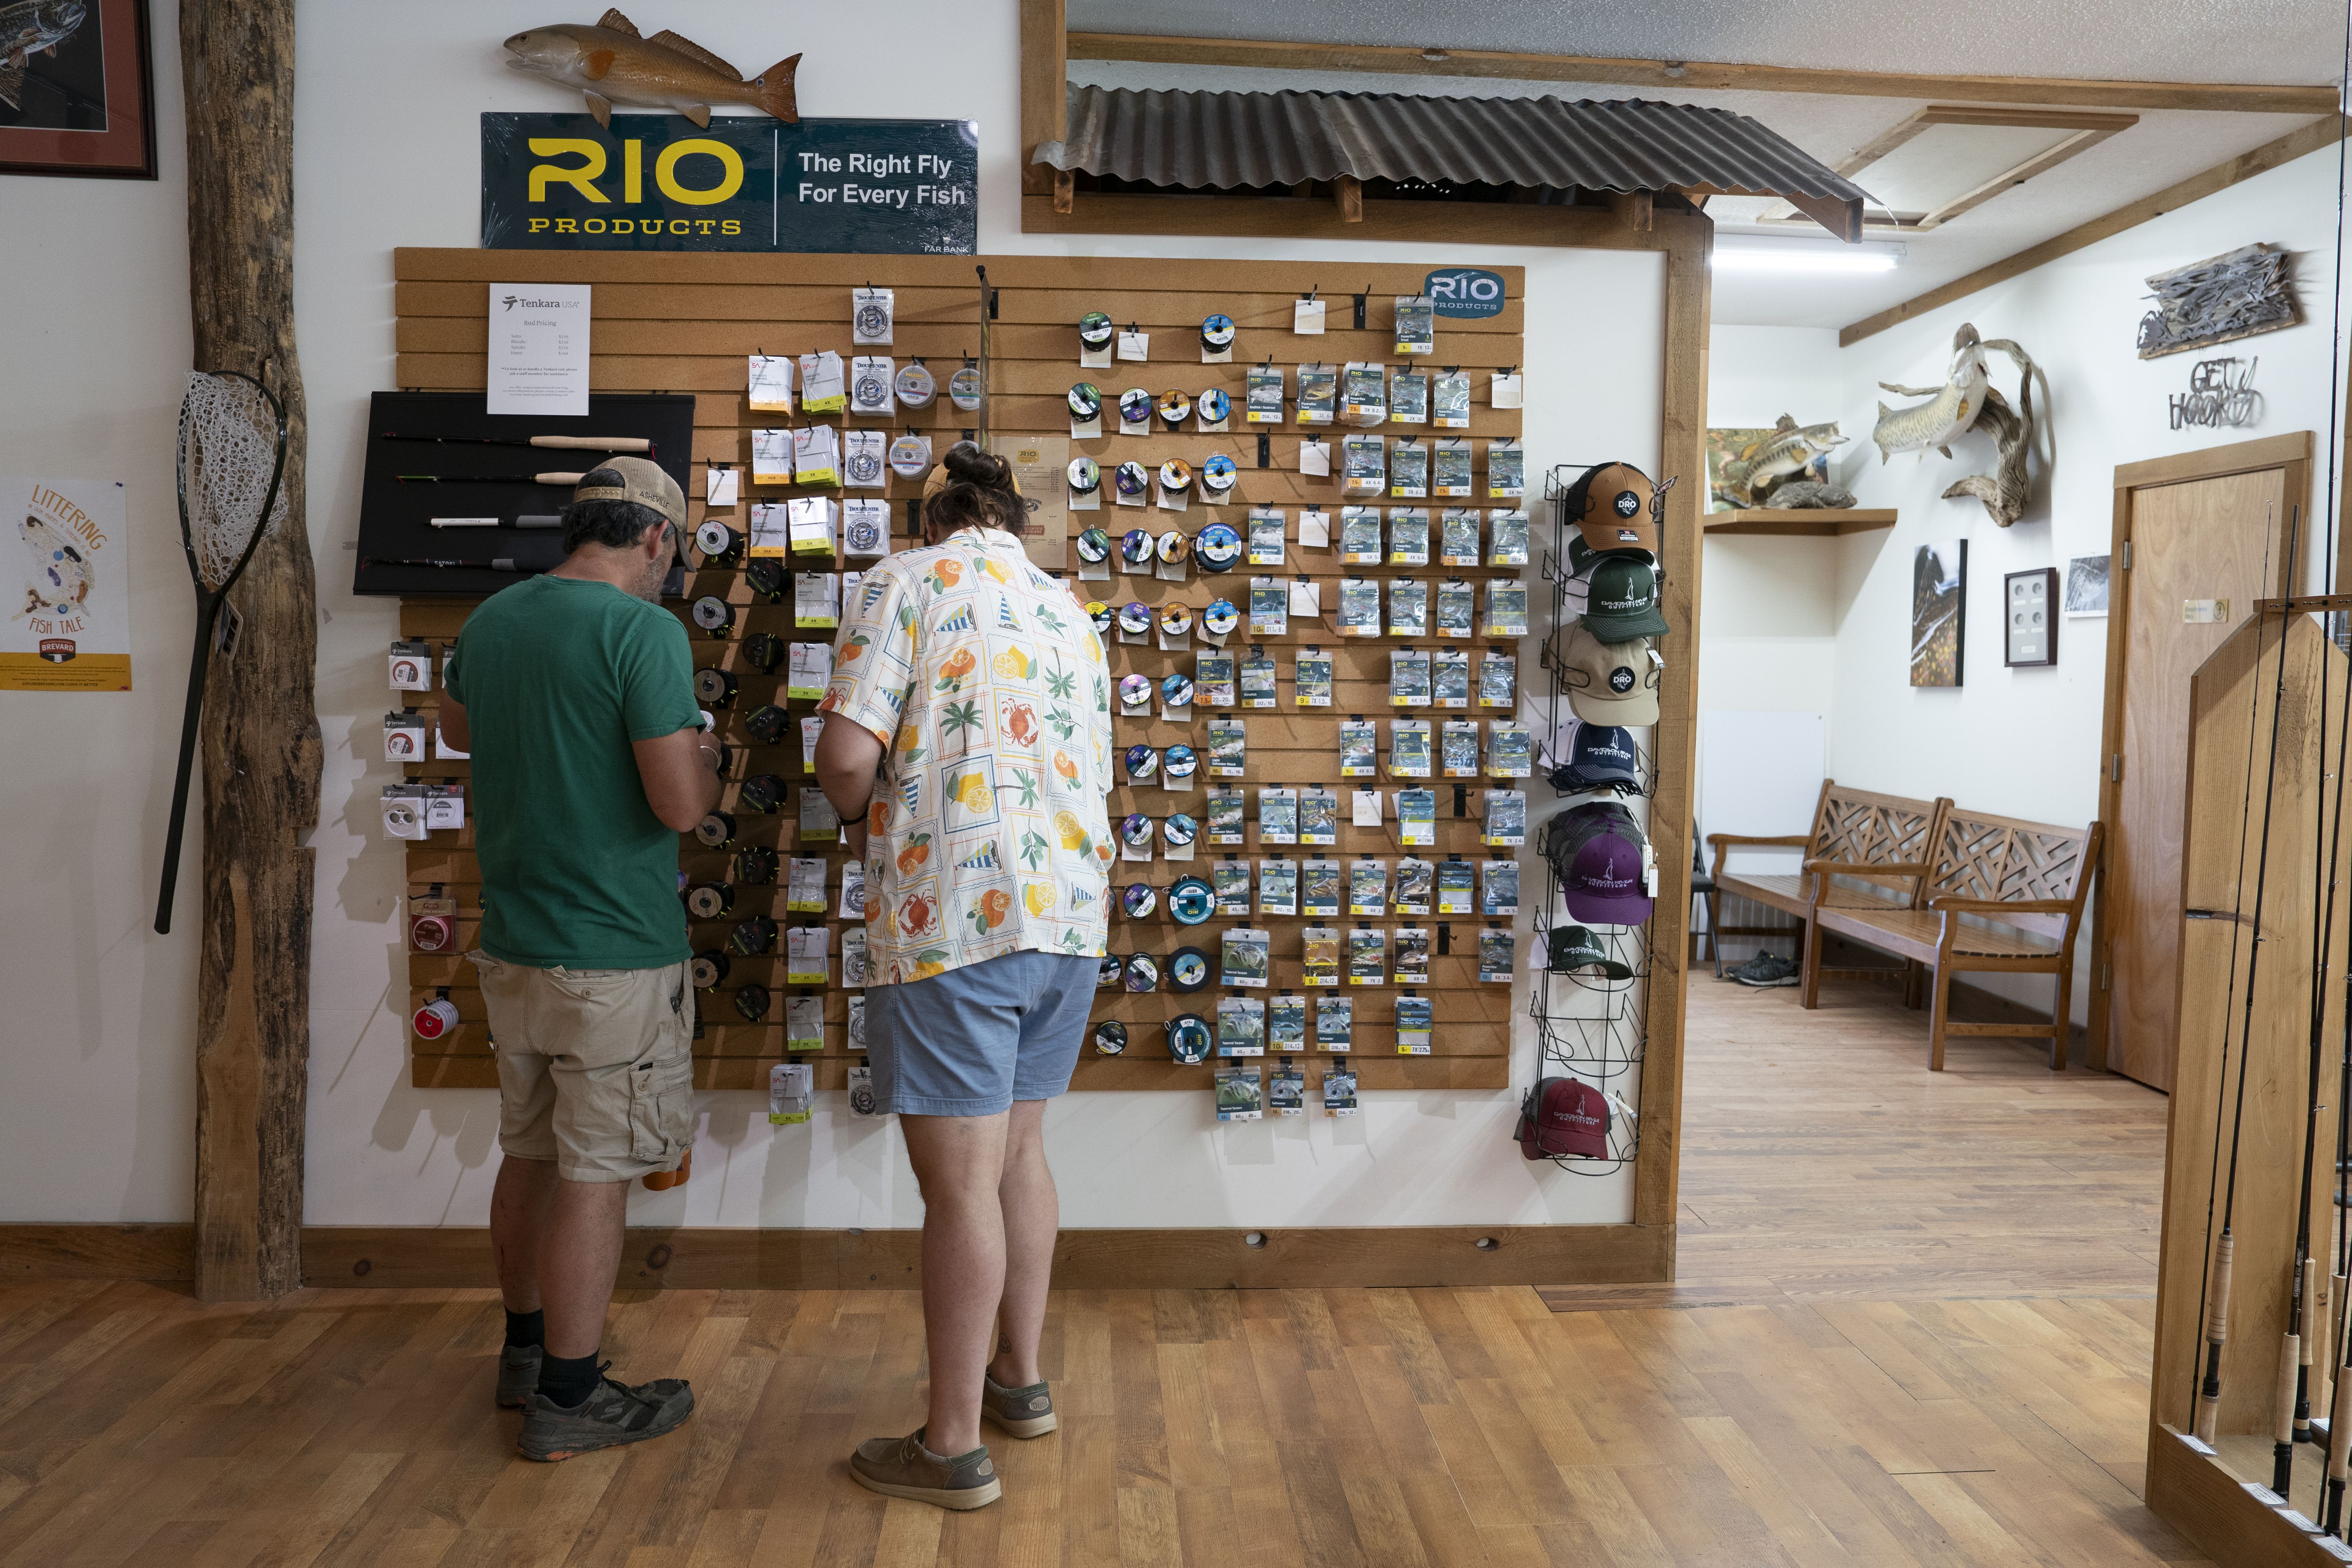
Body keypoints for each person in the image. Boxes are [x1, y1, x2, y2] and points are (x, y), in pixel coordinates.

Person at [814, 445, 1114, 1511]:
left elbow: (847, 756)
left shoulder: (904, 581)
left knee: (957, 1186)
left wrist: (856, 813)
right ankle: (1017, 1381)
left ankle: (949, 1446)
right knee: (1019, 1157)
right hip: (1068, 916)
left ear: (931, 516)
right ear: (1014, 519)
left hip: (952, 911)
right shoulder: (1068, 610)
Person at [436, 457, 712, 1463]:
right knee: (597, 1171)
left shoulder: (495, 619)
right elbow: (680, 804)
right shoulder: (644, 632)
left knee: (531, 1152)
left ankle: (523, 1353)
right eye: (670, 555)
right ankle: (569, 1393)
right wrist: (707, 753)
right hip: (612, 949)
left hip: (512, 940)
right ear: (654, 540)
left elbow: (457, 727)